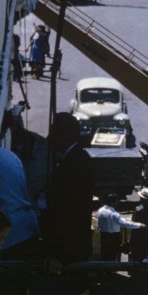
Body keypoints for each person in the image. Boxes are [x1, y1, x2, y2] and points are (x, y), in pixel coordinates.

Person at [45, 112, 96, 262]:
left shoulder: (71, 165)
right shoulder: (80, 158)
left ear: (63, 136)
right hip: (76, 242)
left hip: (68, 247)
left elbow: (65, 209)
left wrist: (55, 252)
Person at [95, 195, 141, 261]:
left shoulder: (100, 210)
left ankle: (105, 269)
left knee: (105, 254)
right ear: (112, 202)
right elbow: (124, 223)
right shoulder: (113, 213)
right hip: (113, 237)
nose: (117, 204)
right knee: (113, 255)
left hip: (104, 236)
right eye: (116, 202)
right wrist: (139, 225)